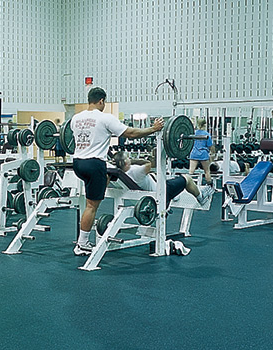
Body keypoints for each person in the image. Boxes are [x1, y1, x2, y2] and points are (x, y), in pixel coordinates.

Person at [71, 87, 162, 256]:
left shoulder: (76, 118)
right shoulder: (105, 118)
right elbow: (130, 133)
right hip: (94, 164)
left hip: (78, 164)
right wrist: (153, 129)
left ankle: (83, 239)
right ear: (101, 101)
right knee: (91, 206)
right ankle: (82, 244)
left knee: (101, 184)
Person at [111, 151, 214, 207]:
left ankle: (175, 195)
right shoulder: (136, 171)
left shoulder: (120, 175)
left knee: (153, 176)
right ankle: (201, 197)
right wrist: (133, 160)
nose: (130, 158)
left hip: (147, 194)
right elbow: (149, 164)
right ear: (125, 162)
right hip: (161, 194)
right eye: (128, 157)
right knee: (187, 178)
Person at [187, 119, 214, 186]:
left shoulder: (193, 133)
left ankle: (187, 185)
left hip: (194, 153)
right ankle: (210, 186)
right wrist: (213, 153)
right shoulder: (207, 134)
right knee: (207, 171)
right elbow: (210, 146)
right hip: (203, 154)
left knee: (191, 172)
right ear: (205, 125)